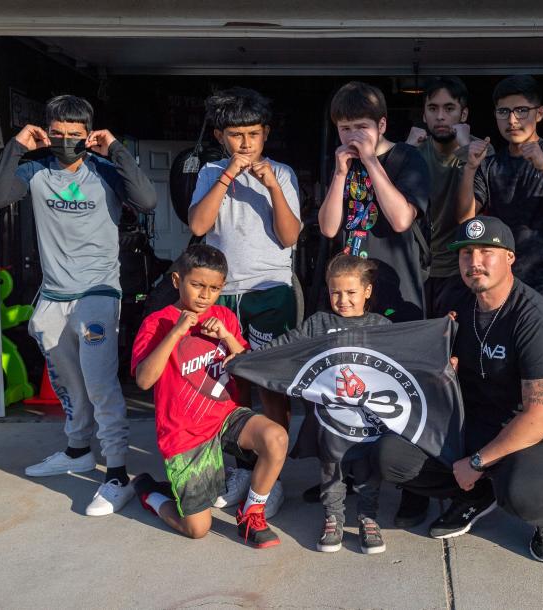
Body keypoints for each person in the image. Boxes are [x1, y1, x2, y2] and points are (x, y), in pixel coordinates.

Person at [0, 94, 157, 516]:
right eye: (56, 134)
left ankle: (116, 473)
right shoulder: (36, 169)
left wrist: (114, 148)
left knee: (99, 384)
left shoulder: (106, 172)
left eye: (74, 135)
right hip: (53, 296)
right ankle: (78, 449)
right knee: (69, 383)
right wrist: (17, 146)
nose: (65, 141)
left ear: (87, 134)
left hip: (97, 293)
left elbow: (147, 200)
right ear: (47, 132)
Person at [376, 216, 543, 563]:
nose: (474, 262)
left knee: (524, 493)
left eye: (486, 251)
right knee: (393, 457)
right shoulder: (458, 304)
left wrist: (477, 461)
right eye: (466, 254)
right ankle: (476, 495)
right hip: (474, 422)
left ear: (510, 257)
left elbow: (541, 417)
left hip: (528, 431)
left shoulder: (537, 320)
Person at [457, 75, 543, 524]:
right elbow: (466, 222)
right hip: (501, 288)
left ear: (538, 113)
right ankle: (507, 461)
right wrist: (471, 168)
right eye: (502, 112)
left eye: (521, 111)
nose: (511, 120)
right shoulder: (491, 162)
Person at [317, 80, 432, 526]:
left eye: (361, 127)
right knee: (347, 385)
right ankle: (344, 478)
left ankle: (413, 487)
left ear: (382, 124)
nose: (351, 136)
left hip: (396, 289)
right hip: (350, 294)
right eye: (344, 128)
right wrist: (342, 173)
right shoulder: (341, 164)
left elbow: (402, 218)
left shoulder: (407, 158)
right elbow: (329, 229)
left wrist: (371, 160)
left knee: (399, 391)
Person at [188, 87, 301, 513]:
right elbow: (199, 225)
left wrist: (271, 185)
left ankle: (273, 478)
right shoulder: (211, 171)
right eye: (236, 135)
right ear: (221, 136)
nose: (246, 144)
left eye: (253, 134)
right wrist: (226, 176)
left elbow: (289, 236)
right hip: (222, 293)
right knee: (228, 386)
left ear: (265, 133)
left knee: (271, 385)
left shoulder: (283, 173)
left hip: (269, 292)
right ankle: (241, 468)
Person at [129, 244, 289, 548]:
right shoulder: (157, 322)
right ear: (177, 281)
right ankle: (152, 493)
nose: (205, 295)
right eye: (197, 285)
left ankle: (252, 514)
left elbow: (248, 366)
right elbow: (144, 381)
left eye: (214, 288)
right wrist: (175, 333)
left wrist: (228, 339)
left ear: (223, 288)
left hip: (225, 416)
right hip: (184, 432)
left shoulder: (224, 317)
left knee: (275, 437)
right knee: (197, 529)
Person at [260, 254, 391, 554]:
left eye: (351, 293)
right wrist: (246, 357)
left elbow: (405, 360)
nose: (342, 300)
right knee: (331, 471)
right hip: (328, 423)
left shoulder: (382, 326)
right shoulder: (318, 324)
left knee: (368, 470)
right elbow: (286, 344)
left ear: (367, 291)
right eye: (335, 292)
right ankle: (333, 517)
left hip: (369, 423)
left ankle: (368, 518)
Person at [405, 76, 493, 318]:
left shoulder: (479, 150)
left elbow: (473, 213)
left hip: (462, 269)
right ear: (424, 115)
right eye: (433, 109)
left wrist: (465, 149)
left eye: (449, 108)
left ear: (463, 115)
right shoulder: (413, 152)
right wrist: (404, 151)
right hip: (417, 270)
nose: (440, 116)